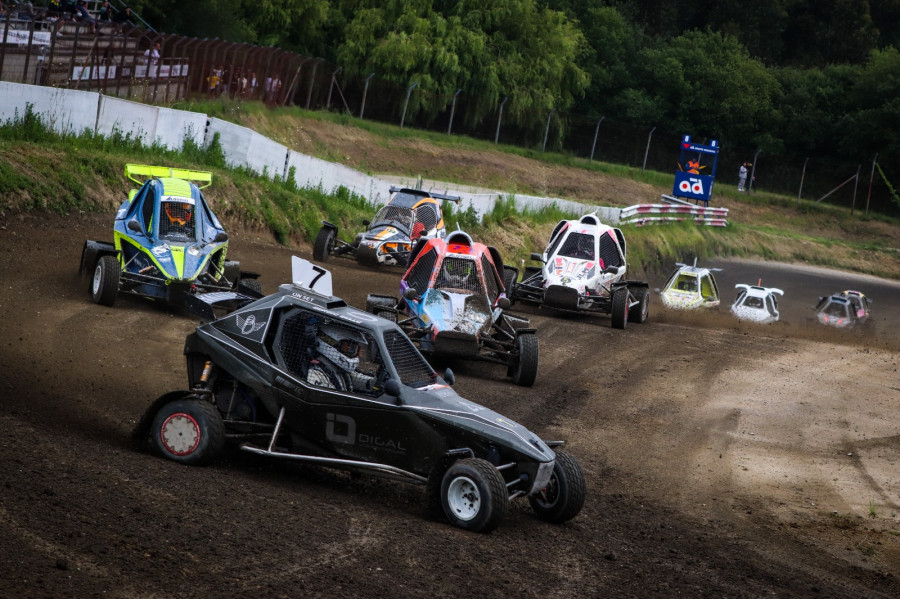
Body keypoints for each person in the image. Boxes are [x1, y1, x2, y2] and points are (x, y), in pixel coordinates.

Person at [307, 324, 375, 392]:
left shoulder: (338, 370)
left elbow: (355, 379)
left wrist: (373, 382)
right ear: (328, 342)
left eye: (356, 350)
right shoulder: (314, 375)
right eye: (347, 348)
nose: (353, 352)